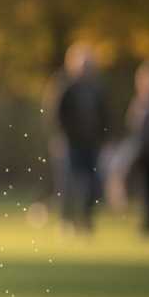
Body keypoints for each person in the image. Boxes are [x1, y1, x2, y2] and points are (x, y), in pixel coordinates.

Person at [55, 43, 109, 230]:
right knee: (68, 183)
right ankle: (66, 221)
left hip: (92, 144)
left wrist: (105, 138)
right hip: (70, 144)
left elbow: (105, 116)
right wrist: (60, 136)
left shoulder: (97, 89)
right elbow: (56, 116)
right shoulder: (66, 88)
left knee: (92, 185)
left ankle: (86, 221)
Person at [127, 61, 149, 235]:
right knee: (147, 192)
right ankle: (148, 225)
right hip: (145, 154)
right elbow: (132, 125)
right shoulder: (139, 102)